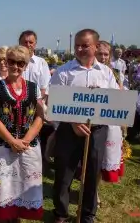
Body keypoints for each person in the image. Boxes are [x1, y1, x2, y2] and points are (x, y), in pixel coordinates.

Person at [50, 29, 120, 223]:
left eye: (85, 45)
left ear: (96, 46)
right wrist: (73, 121)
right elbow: (53, 102)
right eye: (77, 46)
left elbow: (115, 101)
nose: (80, 49)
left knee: (91, 174)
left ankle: (88, 215)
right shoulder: (64, 72)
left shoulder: (106, 73)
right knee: (64, 175)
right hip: (69, 131)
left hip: (97, 131)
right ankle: (61, 213)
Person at [0, 45, 44, 223]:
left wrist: (25, 140)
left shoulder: (34, 89)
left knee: (25, 181)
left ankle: (18, 215)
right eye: (12, 62)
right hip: (2, 145)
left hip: (29, 145)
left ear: (26, 65)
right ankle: (5, 217)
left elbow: (40, 116)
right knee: (4, 184)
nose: (16, 66)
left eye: (21, 63)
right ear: (7, 62)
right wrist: (12, 141)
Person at [95, 41, 125, 205]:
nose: (103, 57)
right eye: (100, 54)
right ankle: (91, 191)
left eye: (106, 54)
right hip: (93, 120)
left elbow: (120, 96)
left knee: (103, 157)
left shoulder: (114, 72)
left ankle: (95, 191)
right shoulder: (90, 71)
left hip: (110, 119)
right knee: (93, 158)